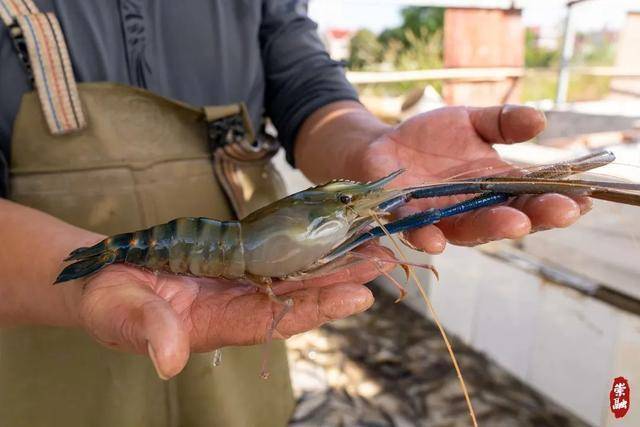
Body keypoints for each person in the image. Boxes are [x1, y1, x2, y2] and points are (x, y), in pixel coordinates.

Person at [0, 1, 589, 426]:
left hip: (224, 328)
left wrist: (368, 149)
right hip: (35, 315)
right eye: (348, 204)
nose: (356, 207)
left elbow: (304, 81)